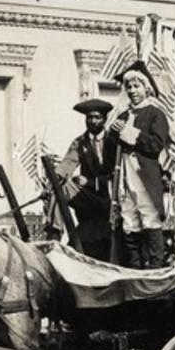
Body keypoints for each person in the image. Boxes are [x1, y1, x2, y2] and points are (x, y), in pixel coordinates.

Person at [104, 60, 170, 268]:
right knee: (129, 218)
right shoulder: (123, 116)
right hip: (124, 173)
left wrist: (131, 134)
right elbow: (111, 150)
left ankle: (155, 267)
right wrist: (113, 133)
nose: (132, 91)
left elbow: (156, 144)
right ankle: (135, 267)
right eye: (129, 87)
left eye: (136, 86)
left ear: (146, 88)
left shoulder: (155, 114)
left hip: (145, 174)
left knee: (149, 217)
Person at [54, 98, 114, 260]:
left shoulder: (114, 141)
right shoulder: (80, 142)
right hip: (89, 199)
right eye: (89, 117)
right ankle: (54, 234)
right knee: (60, 187)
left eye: (97, 117)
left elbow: (119, 174)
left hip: (110, 199)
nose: (93, 121)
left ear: (104, 119)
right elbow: (67, 164)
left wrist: (91, 182)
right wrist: (56, 177)